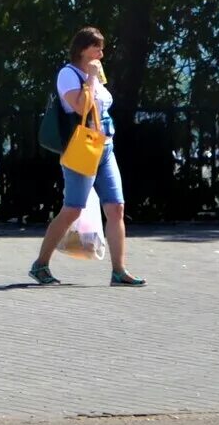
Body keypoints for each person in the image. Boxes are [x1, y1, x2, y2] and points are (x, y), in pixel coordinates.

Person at [31, 26, 146, 287]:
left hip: (105, 147)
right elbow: (81, 107)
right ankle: (40, 264)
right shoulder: (68, 74)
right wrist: (92, 79)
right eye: (97, 47)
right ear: (83, 49)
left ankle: (119, 270)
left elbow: (101, 105)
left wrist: (95, 77)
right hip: (82, 147)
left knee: (116, 207)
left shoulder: (94, 72)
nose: (101, 54)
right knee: (73, 208)